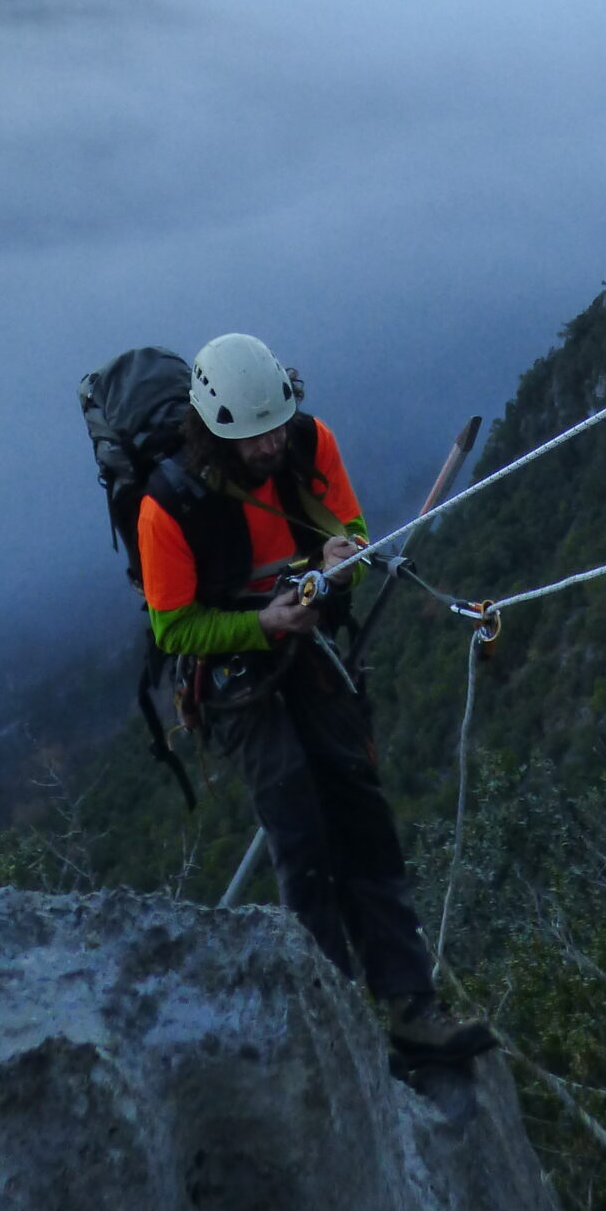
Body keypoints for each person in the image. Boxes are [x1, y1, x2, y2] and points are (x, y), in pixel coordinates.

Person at [138, 333, 494, 1066]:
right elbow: (174, 629)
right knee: (297, 823)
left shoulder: (309, 443)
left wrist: (341, 561)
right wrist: (261, 623)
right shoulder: (168, 506)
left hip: (308, 635)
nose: (270, 445)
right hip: (233, 666)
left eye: (276, 427)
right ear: (215, 433)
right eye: (254, 437)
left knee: (358, 806)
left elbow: (353, 535)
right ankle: (335, 1016)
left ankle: (410, 1004)